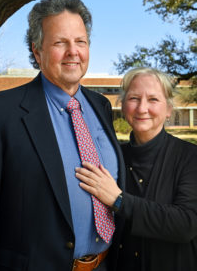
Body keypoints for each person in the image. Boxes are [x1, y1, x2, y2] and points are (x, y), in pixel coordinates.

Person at [0, 0, 126, 271]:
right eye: (60, 43)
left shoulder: (101, 105)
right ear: (37, 51)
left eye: (80, 41)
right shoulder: (3, 112)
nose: (73, 52)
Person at [76, 67, 197, 271]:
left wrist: (119, 200)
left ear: (168, 110)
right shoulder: (111, 157)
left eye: (153, 99)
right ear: (122, 106)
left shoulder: (190, 157)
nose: (142, 108)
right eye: (133, 98)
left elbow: (186, 224)